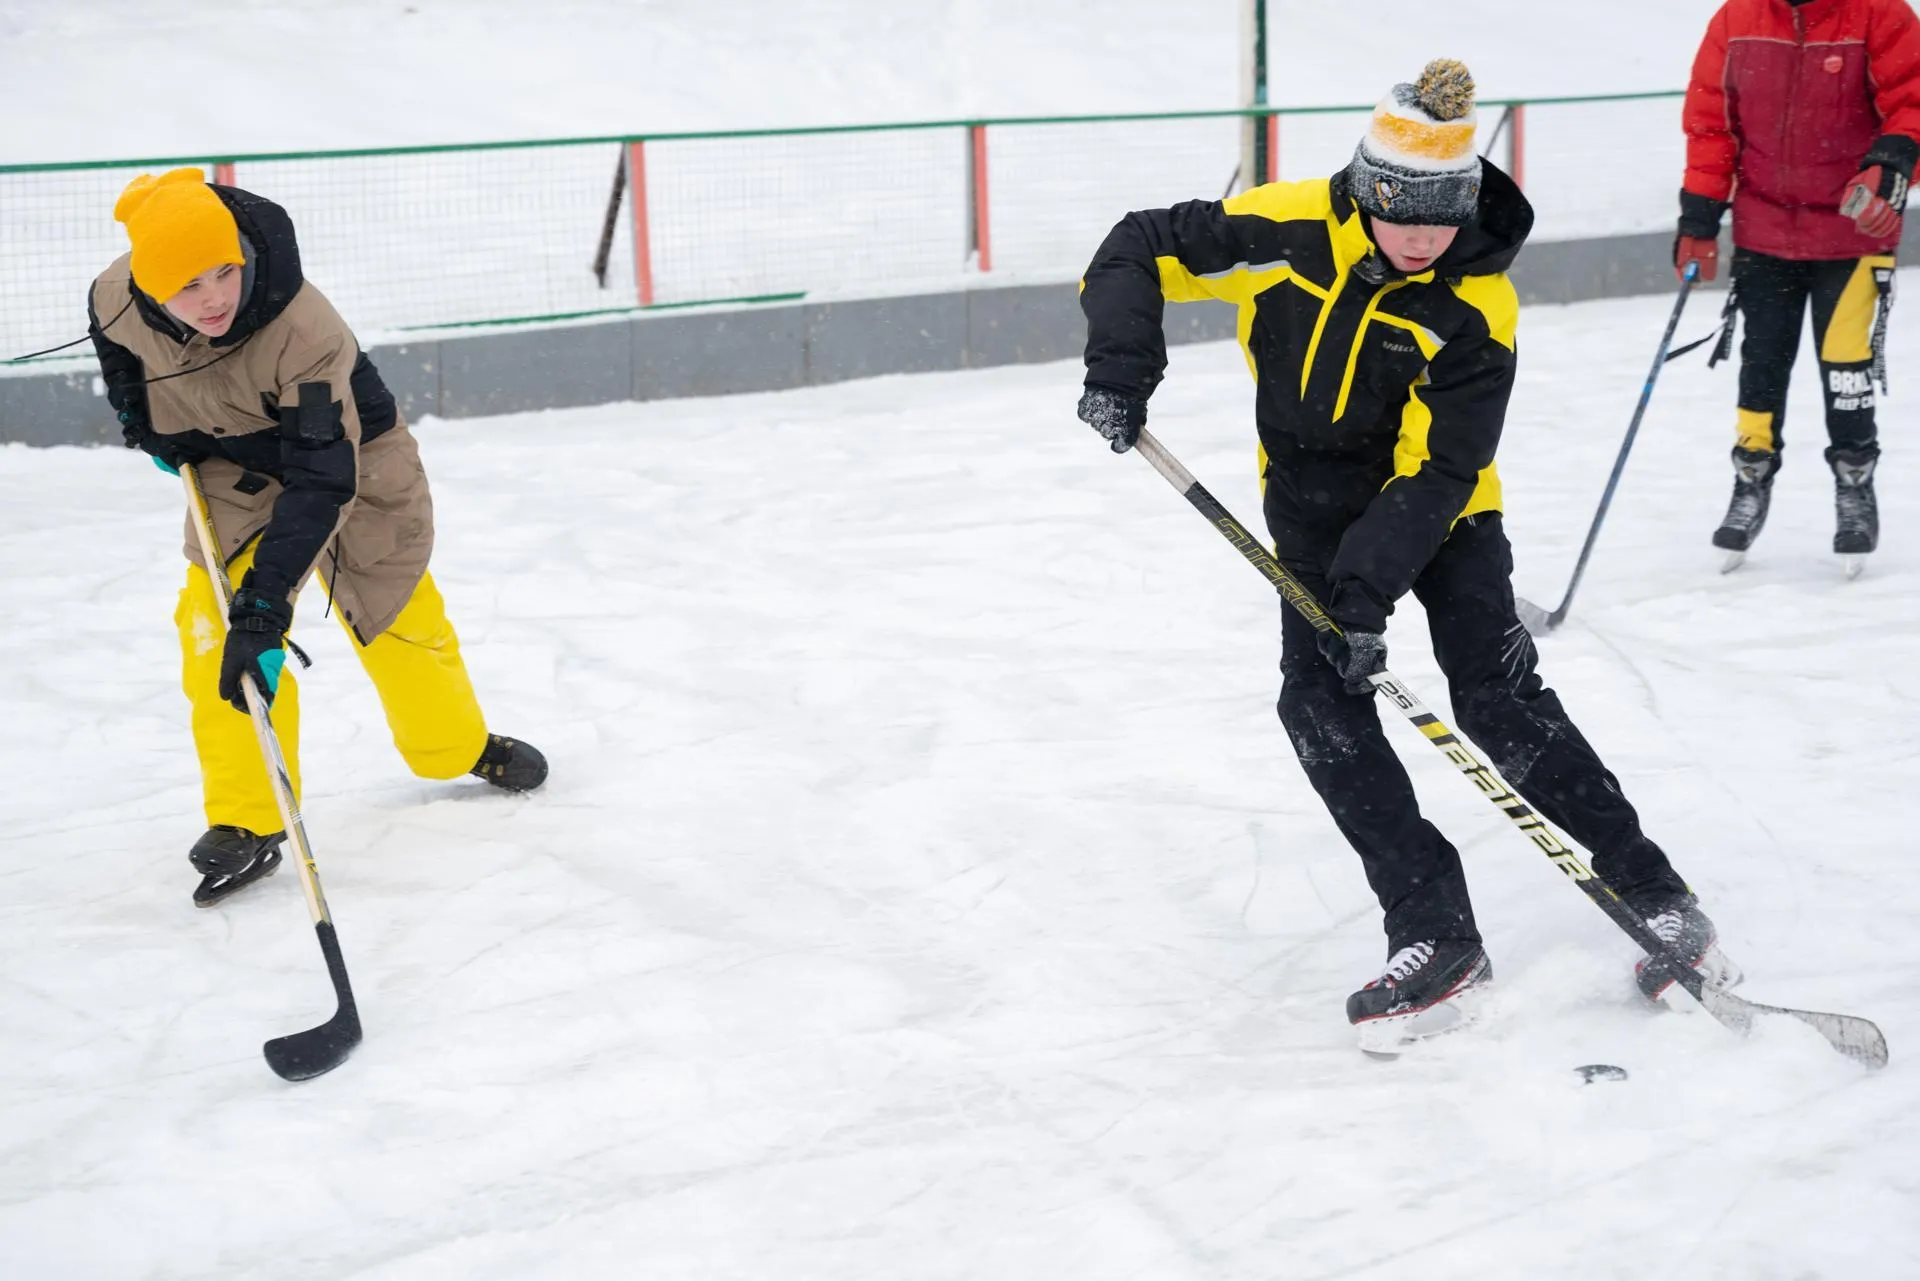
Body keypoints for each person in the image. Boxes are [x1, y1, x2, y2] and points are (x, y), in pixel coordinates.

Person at [1076, 61, 1739, 1046]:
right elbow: (1135, 247)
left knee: (1495, 701)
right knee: (1317, 708)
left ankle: (1656, 891)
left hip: (1446, 511)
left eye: (1448, 213)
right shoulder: (1285, 231)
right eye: (1410, 214)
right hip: (1309, 509)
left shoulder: (1474, 301)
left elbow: (1442, 471)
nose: (1429, 237)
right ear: (1371, 191)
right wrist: (1123, 366)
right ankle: (1434, 930)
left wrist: (1363, 596)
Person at [88, 169, 548, 907]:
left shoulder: (303, 327)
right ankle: (248, 818)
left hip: (352, 460)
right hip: (229, 464)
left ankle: (456, 747)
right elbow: (118, 358)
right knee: (215, 630)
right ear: (147, 285)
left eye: (224, 272)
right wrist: (143, 425)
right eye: (187, 286)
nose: (213, 298)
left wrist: (267, 605)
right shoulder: (115, 294)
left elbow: (323, 476)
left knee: (397, 615)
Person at [1676, 0, 1920, 567]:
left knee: (1846, 367)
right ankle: (1751, 478)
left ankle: (1854, 482)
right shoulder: (1737, 20)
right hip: (1764, 235)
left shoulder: (1880, 15)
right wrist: (1699, 219)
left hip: (1852, 237)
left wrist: (1890, 164)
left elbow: (1911, 107)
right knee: (1760, 366)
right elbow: (1711, 125)